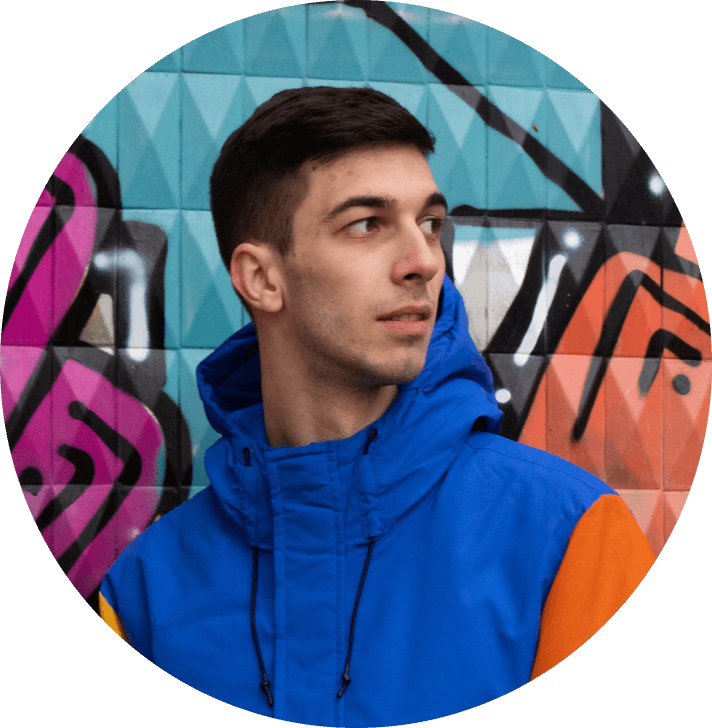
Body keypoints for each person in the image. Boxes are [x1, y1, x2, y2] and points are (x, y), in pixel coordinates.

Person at [99, 86, 655, 725]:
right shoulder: (144, 594)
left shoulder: (569, 539)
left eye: (430, 224)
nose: (423, 262)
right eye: (367, 224)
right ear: (262, 278)